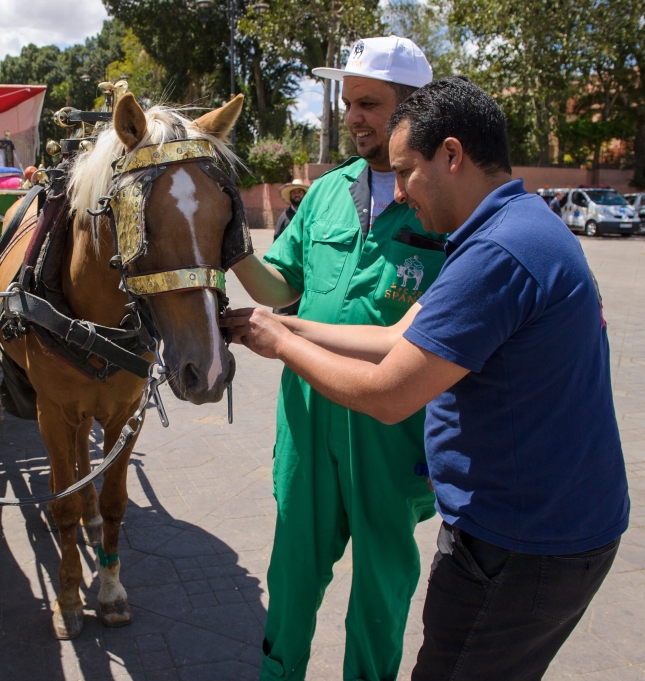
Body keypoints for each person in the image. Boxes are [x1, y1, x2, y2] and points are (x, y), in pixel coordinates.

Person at [224, 76, 628, 681]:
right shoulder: (508, 228)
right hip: (536, 523)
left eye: (407, 170)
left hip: (522, 541)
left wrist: (281, 341)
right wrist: (283, 325)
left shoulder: (497, 253)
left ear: (453, 155)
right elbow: (395, 338)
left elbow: (388, 393)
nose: (402, 190)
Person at [230, 36, 441, 681]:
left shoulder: (440, 201)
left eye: (370, 104)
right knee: (291, 565)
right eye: (348, 102)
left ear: (413, 108)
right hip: (306, 413)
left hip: (389, 423)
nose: (353, 117)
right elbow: (281, 287)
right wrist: (233, 250)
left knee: (382, 579)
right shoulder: (325, 192)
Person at [271, 179, 310, 315]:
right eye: (294, 192)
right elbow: (277, 242)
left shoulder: (309, 214)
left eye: (299, 191)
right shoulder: (285, 217)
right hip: (289, 263)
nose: (297, 194)